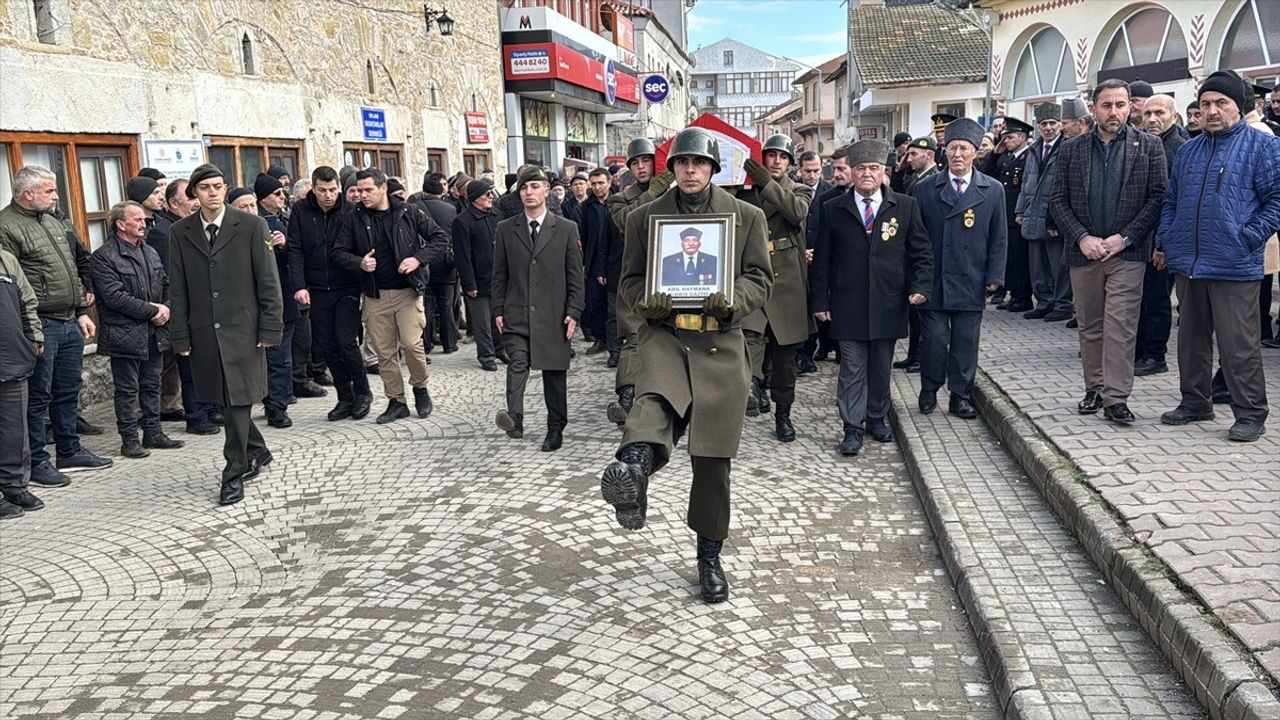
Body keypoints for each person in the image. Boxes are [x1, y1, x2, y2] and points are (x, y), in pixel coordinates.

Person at [599, 126, 772, 604]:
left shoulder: (746, 216)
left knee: (713, 462)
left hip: (720, 341)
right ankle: (633, 474)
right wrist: (646, 303)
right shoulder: (643, 218)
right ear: (670, 168)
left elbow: (761, 278)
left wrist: (734, 300)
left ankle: (708, 557)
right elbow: (629, 282)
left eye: (699, 163)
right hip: (667, 336)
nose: (690, 170)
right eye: (682, 163)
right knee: (651, 403)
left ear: (714, 169)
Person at [1156, 71, 1279, 443]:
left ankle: (1250, 412)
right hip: (1189, 262)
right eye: (1206, 103)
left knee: (1237, 343)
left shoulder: (1263, 147)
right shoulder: (1189, 150)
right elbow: (1171, 200)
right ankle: (1195, 403)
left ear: (1239, 107)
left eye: (1220, 103)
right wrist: (1167, 237)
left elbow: (1276, 201)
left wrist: (1249, 237)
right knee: (1191, 339)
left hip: (1234, 262)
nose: (1211, 110)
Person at [1049, 78, 1167, 425]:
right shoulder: (1071, 149)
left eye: (1120, 105)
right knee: (1091, 325)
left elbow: (1157, 197)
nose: (1114, 112)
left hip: (1126, 254)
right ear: (1093, 107)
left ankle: (1117, 398)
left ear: (1131, 106)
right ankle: (1095, 388)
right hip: (1084, 253)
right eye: (1106, 105)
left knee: (1121, 326)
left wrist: (1125, 238)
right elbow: (1057, 199)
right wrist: (1082, 237)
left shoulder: (1148, 147)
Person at [168, 163, 284, 505]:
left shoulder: (252, 225)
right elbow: (179, 288)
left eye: (218, 186)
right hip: (204, 331)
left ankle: (233, 472)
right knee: (224, 398)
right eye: (205, 188)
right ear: (194, 195)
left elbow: (268, 282)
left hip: (245, 331)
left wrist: (270, 327)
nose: (213, 192)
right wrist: (180, 335)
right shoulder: (180, 232)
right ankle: (258, 449)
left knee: (237, 400)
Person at [810, 139, 932, 455]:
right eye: (861, 168)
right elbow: (822, 259)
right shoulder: (832, 208)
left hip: (889, 302)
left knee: (880, 365)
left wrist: (921, 287)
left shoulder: (905, 206)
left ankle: (877, 417)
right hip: (847, 303)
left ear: (884, 171)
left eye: (874, 168)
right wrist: (819, 302)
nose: (867, 174)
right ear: (851, 171)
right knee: (851, 366)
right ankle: (852, 427)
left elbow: (921, 252)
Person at [0, 165, 112, 489]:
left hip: (68, 320)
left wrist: (81, 310)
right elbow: (14, 285)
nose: (56, 196)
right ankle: (37, 461)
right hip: (42, 324)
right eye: (50, 191)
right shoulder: (7, 226)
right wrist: (29, 329)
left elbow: (70, 267)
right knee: (38, 397)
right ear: (28, 194)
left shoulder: (51, 220)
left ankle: (70, 450)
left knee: (67, 391)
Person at [333, 168, 447, 424]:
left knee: (411, 345)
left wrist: (417, 259)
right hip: (375, 294)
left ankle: (420, 387)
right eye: (359, 191)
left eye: (368, 190)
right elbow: (339, 252)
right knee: (384, 353)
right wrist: (359, 263)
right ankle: (396, 401)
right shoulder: (354, 218)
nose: (362, 195)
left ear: (383, 187)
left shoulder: (408, 211)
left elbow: (439, 239)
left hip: (407, 291)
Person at [913, 118, 1008, 419]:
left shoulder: (992, 190)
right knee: (935, 340)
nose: (957, 154)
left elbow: (999, 236)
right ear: (944, 151)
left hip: (971, 278)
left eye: (964, 149)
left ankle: (960, 395)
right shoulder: (926, 189)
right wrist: (917, 280)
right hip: (935, 280)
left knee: (966, 342)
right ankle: (929, 389)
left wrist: (994, 276)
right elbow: (915, 239)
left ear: (976, 153)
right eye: (952, 148)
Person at [492, 167, 585, 451]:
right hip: (517, 312)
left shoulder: (566, 228)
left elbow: (575, 276)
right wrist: (498, 309)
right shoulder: (506, 229)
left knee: (553, 374)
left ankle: (555, 428)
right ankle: (515, 418)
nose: (529, 192)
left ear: (547, 191)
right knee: (517, 363)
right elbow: (499, 274)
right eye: (524, 188)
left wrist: (574, 311)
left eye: (534, 186)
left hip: (554, 314)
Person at [90, 201, 184, 458]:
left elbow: (166, 284)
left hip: (154, 332)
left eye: (144, 220)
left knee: (152, 384)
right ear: (121, 224)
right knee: (127, 390)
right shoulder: (103, 257)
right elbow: (114, 297)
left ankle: (153, 433)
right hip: (125, 334)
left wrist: (166, 308)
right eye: (137, 220)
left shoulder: (150, 252)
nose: (144, 224)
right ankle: (130, 440)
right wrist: (153, 311)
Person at [736, 133, 814, 437]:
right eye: (771, 156)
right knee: (748, 337)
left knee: (785, 357)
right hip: (753, 274)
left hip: (787, 280)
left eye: (783, 157)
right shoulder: (745, 192)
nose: (777, 161)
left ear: (790, 164)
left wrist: (765, 182)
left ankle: (784, 414)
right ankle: (752, 389)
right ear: (762, 158)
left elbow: (796, 212)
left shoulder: (800, 189)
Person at [288, 166, 372, 421]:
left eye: (333, 190)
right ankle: (344, 397)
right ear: (313, 189)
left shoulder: (350, 211)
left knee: (346, 341)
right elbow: (295, 249)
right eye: (323, 190)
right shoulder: (301, 211)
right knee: (327, 345)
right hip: (315, 287)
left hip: (346, 285)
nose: (328, 195)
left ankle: (363, 392)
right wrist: (299, 285)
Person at [605, 137, 669, 426]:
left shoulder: (676, 189)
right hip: (638, 273)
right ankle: (626, 396)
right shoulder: (621, 197)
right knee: (633, 336)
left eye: (646, 161)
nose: (641, 167)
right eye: (635, 163)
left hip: (671, 272)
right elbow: (626, 221)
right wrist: (655, 191)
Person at [1133, 94, 1188, 377]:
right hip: (1141, 237)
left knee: (1157, 300)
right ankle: (1140, 351)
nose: (1152, 119)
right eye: (1148, 114)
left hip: (1163, 240)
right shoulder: (1142, 144)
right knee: (1141, 299)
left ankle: (1156, 355)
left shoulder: (1180, 148)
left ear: (1174, 117)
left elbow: (1177, 200)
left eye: (1159, 113)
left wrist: (1164, 244)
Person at [0, 245, 45, 519]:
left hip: (12, 357)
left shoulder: (6, 259)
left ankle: (15, 486)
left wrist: (33, 339)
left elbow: (27, 301)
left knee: (15, 431)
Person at [1016, 103, 1068, 321]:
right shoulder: (1034, 150)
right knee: (1037, 264)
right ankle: (1044, 302)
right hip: (1032, 213)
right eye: (1044, 124)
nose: (1048, 128)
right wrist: (1020, 210)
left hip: (1054, 214)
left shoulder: (1067, 147)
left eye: (1052, 123)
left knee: (1058, 264)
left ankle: (1063, 304)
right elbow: (1026, 183)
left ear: (1060, 125)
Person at [982, 117, 1033, 313]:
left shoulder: (1028, 156)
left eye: (1010, 137)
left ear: (1022, 137)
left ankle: (1023, 297)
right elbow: (987, 174)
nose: (1006, 141)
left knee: (1020, 259)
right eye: (1004, 137)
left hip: (1017, 215)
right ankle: (1014, 295)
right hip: (1004, 214)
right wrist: (995, 154)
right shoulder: (1006, 157)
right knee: (1010, 258)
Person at [453, 179, 503, 371]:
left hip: (497, 278)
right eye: (486, 194)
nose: (491, 198)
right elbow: (462, 256)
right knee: (482, 322)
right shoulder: (462, 221)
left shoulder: (496, 216)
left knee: (498, 317)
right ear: (474, 199)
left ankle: (500, 349)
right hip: (477, 280)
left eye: (491, 194)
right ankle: (486, 355)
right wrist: (469, 284)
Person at [415, 172, 460, 356]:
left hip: (422, 261)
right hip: (445, 263)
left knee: (425, 305)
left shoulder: (413, 207)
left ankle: (425, 344)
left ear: (424, 191)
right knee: (446, 305)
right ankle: (449, 343)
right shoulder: (450, 209)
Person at [579, 168, 618, 359]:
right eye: (593, 184)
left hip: (616, 258)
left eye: (601, 183)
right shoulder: (586, 207)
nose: (597, 187)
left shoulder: (619, 201)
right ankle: (601, 338)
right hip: (594, 260)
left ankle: (617, 342)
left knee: (615, 305)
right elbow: (582, 235)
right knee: (595, 302)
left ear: (609, 182)